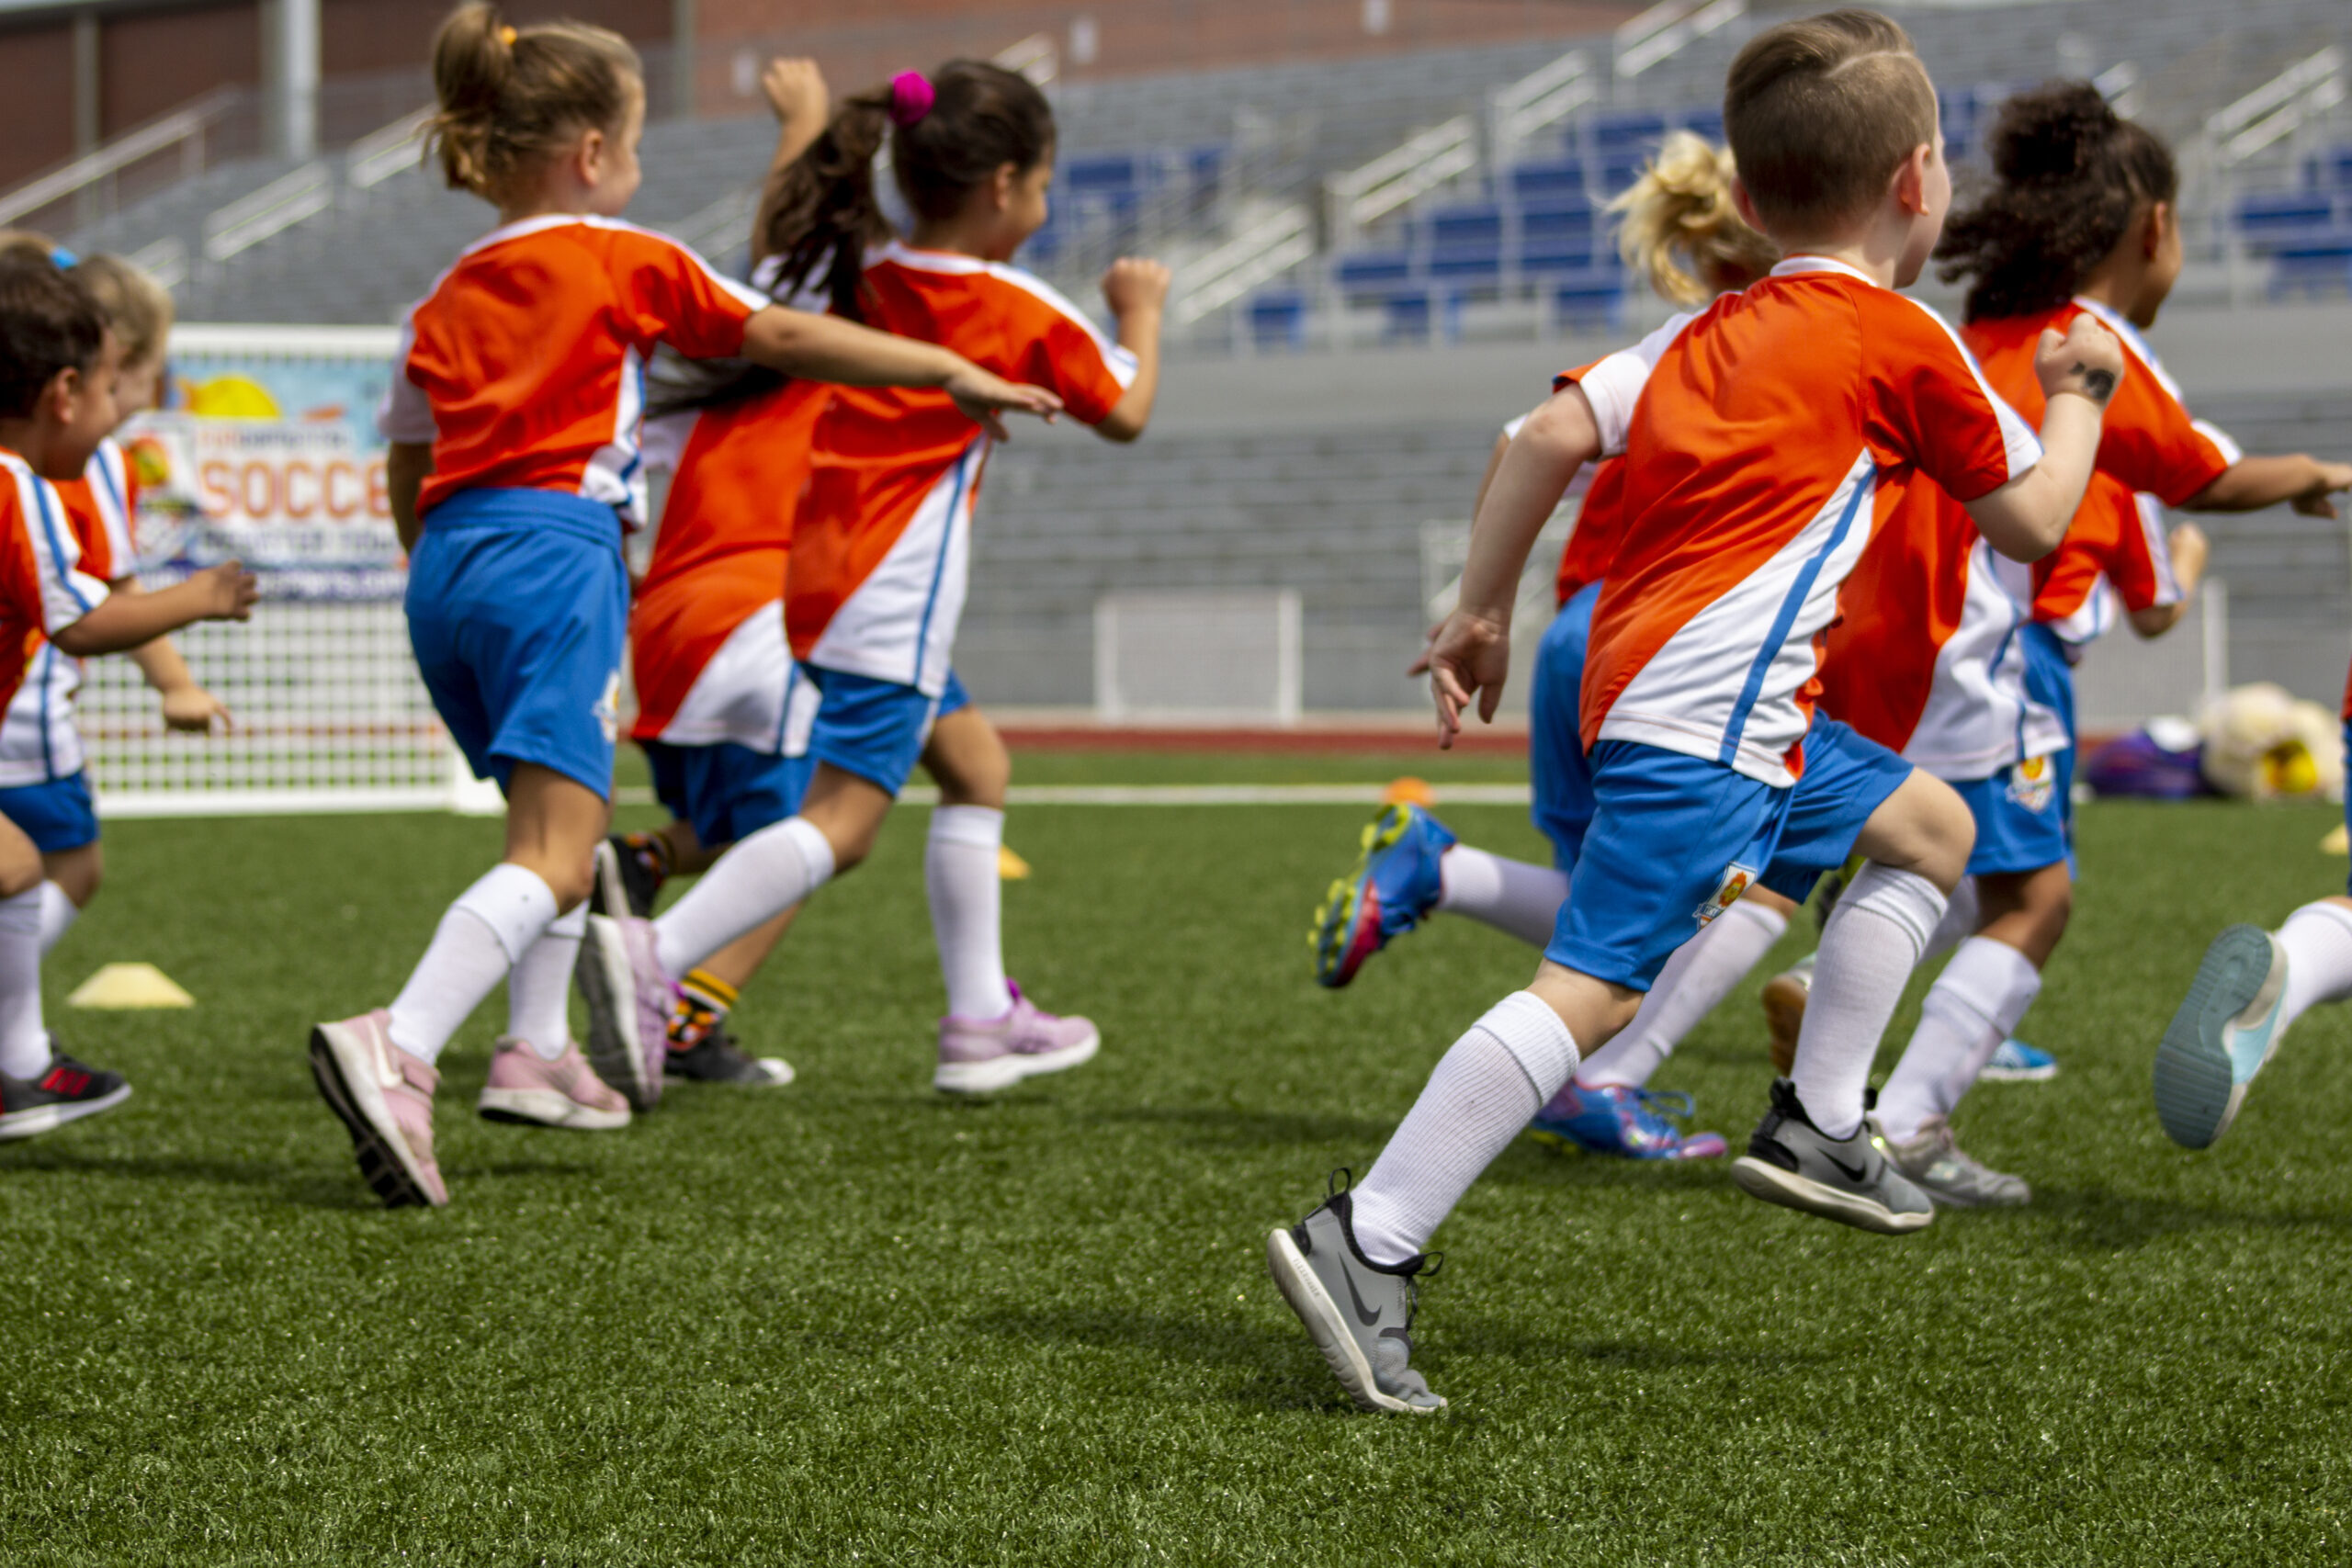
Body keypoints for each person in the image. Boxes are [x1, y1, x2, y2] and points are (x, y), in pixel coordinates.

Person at [1266, 8, 2123, 1413]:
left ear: (1747, 196)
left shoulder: (1703, 326)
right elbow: (2030, 520)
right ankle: (1369, 1235)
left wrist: (1478, 610)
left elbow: (1540, 433)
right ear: (1919, 183)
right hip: (1713, 714)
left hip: (1681, 697)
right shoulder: (1901, 337)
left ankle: (1818, 1118)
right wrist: (2077, 400)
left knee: (1929, 826)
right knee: (1594, 989)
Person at [306, 6, 1063, 1208]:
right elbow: (775, 325)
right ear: (592, 156)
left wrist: (435, 561)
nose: (641, 169)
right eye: (640, 144)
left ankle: (540, 1050)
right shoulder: (620, 255)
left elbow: (407, 458)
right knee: (558, 848)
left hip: (447, 564)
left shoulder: (441, 293)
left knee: (545, 829)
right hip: (556, 550)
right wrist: (945, 368)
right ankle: (399, 1038)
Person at [594, 60, 1166, 1095]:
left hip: (810, 577)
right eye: (1041, 186)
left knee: (975, 768)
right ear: (1002, 188)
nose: (1040, 207)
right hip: (888, 591)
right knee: (845, 820)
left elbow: (775, 260)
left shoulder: (855, 276)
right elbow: (1125, 410)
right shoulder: (1007, 303)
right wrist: (1141, 311)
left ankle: (982, 1019)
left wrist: (805, 125)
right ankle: (655, 961)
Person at [1307, 131, 1786, 1161]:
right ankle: (1594, 1081)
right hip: (1669, 651)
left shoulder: (1666, 355)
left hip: (1584, 642)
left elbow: (1514, 439)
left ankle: (1440, 873)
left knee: (1609, 911)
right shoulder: (1783, 356)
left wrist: (1484, 613)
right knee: (1729, 888)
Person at [582, 56, 836, 1091]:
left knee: (730, 829)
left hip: (668, 630)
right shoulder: (826, 367)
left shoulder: (708, 394)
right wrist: (807, 127)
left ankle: (641, 864)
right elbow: (787, 263)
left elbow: (768, 274)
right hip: (755, 622)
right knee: (810, 836)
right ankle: (683, 1016)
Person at [0, 256, 256, 1137]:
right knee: (37, 864)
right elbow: (79, 616)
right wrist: (201, 599)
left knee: (22, 867)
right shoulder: (22, 488)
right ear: (66, 392)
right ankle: (16, 1063)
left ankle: (19, 1064)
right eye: (114, 386)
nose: (121, 411)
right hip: (32, 720)